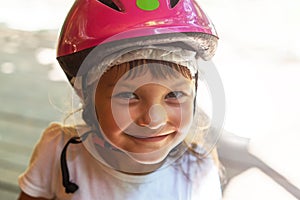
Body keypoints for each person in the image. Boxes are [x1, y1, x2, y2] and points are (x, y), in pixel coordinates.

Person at [18, 0, 224, 199]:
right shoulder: (60, 151)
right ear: (87, 97)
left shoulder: (199, 170)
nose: (154, 120)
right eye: (129, 96)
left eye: (174, 95)